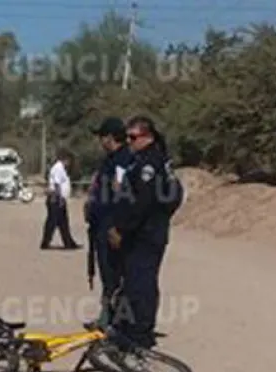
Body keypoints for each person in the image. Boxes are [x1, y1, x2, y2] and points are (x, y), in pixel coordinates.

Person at [107, 115, 183, 357]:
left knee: (141, 283)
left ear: (147, 137)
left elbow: (143, 203)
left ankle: (140, 335)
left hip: (145, 234)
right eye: (127, 137)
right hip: (146, 232)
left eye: (133, 137)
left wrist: (122, 229)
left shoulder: (150, 163)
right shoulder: (145, 160)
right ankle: (129, 329)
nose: (128, 141)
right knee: (133, 281)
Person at [85, 117, 133, 328]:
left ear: (110, 138)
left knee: (113, 275)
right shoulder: (110, 159)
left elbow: (120, 191)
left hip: (112, 225)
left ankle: (114, 320)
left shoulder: (123, 160)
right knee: (106, 273)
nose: (100, 141)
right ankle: (107, 316)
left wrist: (117, 226)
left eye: (102, 137)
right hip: (101, 223)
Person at [40, 149, 81, 250]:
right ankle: (45, 243)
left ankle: (69, 242)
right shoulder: (58, 168)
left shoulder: (61, 168)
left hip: (59, 198)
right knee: (52, 221)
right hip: (56, 198)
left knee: (63, 222)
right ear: (65, 159)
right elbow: (57, 184)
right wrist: (60, 198)